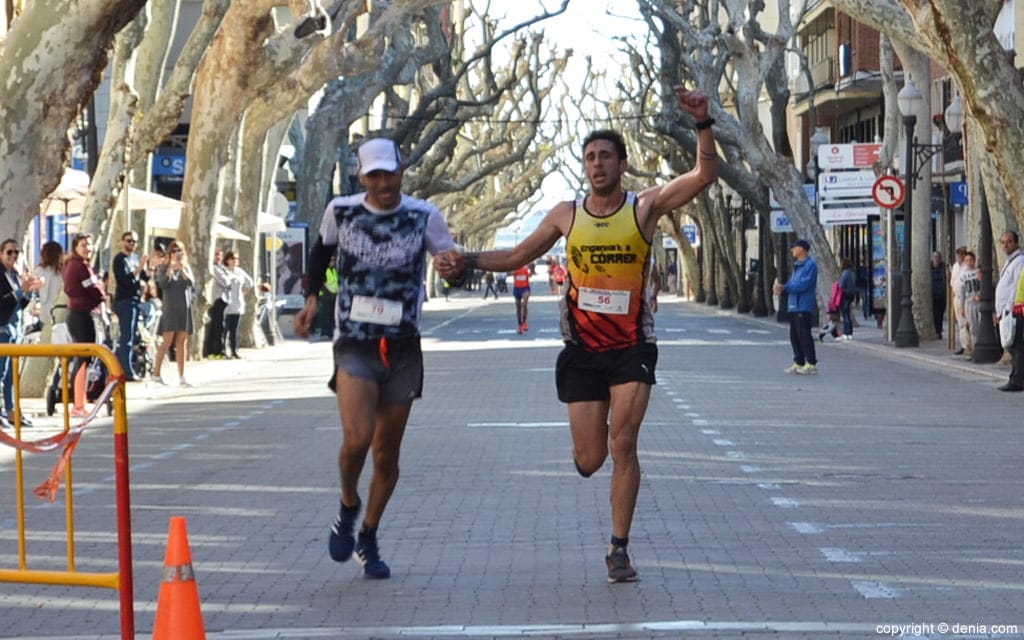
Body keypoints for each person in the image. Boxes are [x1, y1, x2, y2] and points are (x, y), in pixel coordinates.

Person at [435, 87, 718, 583]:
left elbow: (704, 176)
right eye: (590, 158)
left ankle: (619, 549)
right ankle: (589, 455)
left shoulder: (645, 208)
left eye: (606, 156)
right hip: (583, 351)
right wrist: (468, 259)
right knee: (592, 459)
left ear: (622, 165)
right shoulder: (567, 215)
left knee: (624, 442)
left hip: (632, 348)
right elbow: (517, 256)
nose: (597, 164)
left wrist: (703, 124)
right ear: (584, 167)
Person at [294, 137, 459, 580]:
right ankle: (349, 502)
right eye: (374, 175)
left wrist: (451, 267)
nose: (384, 183)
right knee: (358, 438)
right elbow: (321, 253)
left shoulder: (424, 214)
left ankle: (368, 533)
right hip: (355, 341)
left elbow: (449, 258)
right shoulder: (341, 210)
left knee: (386, 454)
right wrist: (311, 299)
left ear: (402, 169)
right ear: (361, 177)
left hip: (402, 344)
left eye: (390, 173)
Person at [61, 233, 108, 417]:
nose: (87, 248)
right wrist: (102, 295)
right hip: (81, 315)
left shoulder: (75, 265)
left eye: (89, 245)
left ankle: (81, 400)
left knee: (83, 360)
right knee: (82, 360)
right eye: (83, 245)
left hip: (79, 314)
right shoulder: (80, 266)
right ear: (75, 247)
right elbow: (94, 289)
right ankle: (78, 404)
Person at [0, 239, 44, 428]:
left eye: (16, 252)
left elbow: (20, 303)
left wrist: (28, 292)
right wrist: (20, 291)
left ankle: (12, 412)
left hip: (15, 329)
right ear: (1, 254)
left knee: (12, 375)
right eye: (9, 252)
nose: (13, 256)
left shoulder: (16, 274)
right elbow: (3, 301)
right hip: (2, 329)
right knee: (1, 374)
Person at [153, 240, 195, 387]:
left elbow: (191, 284)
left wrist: (182, 269)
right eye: (174, 251)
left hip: (184, 307)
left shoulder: (185, 267)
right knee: (167, 341)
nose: (177, 253)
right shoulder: (164, 267)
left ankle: (182, 376)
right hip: (170, 307)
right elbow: (163, 284)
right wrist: (170, 269)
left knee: (182, 341)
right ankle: (156, 373)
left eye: (180, 251)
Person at [774, 239, 819, 374]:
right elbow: (793, 282)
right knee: (794, 335)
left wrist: (785, 288)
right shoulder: (798, 266)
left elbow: (803, 285)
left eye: (795, 247)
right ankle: (799, 361)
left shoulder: (810, 265)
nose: (792, 250)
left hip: (803, 305)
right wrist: (783, 288)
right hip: (794, 305)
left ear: (802, 249)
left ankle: (811, 363)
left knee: (804, 334)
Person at [111, 231, 152, 380]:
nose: (131, 244)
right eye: (129, 241)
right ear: (123, 242)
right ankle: (125, 371)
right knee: (126, 338)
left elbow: (144, 278)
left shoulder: (135, 258)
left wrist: (150, 267)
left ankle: (129, 367)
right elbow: (125, 280)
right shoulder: (119, 260)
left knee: (133, 337)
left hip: (135, 301)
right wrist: (139, 268)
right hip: (124, 301)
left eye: (134, 241)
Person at [995, 231, 1024, 391]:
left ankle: (1017, 379)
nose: (1005, 245)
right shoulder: (1010, 261)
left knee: (1016, 345)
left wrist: (1007, 309)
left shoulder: (1019, 261)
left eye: (1009, 242)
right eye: (1003, 242)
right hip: (1007, 311)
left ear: (1016, 243)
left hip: (1015, 310)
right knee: (1012, 346)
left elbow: (1015, 287)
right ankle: (1017, 376)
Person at [221, 251, 254, 359]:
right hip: (226, 303)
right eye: (232, 258)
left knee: (234, 329)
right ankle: (223, 350)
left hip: (237, 303)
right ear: (227, 260)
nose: (234, 260)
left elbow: (250, 283)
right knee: (224, 329)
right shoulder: (224, 270)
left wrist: (243, 292)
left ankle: (234, 350)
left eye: (236, 258)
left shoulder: (239, 271)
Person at [203, 247, 229, 359]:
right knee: (217, 327)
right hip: (216, 299)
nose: (218, 257)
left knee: (219, 327)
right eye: (216, 254)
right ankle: (216, 351)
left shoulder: (222, 268)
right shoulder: (214, 268)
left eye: (220, 255)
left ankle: (217, 350)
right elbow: (226, 282)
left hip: (223, 299)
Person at [956, 250, 981, 360]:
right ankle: (974, 350)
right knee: (973, 327)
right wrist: (961, 307)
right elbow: (962, 291)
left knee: (981, 325)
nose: (969, 262)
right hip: (969, 302)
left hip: (979, 302)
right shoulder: (963, 275)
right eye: (966, 260)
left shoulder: (978, 272)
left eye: (971, 260)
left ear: (974, 261)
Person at [950, 246, 968, 354]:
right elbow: (953, 281)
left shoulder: (967, 267)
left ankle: (968, 345)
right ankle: (964, 345)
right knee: (960, 322)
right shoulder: (955, 266)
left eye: (962, 254)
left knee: (966, 322)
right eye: (959, 254)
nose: (960, 256)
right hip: (956, 296)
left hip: (965, 297)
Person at [317, 255, 338, 338]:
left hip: (333, 296)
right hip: (326, 296)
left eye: (334, 260)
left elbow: (335, 283)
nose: (333, 262)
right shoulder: (325, 270)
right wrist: (331, 293)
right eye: (332, 260)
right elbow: (324, 284)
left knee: (331, 315)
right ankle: (325, 332)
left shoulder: (333, 270)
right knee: (327, 315)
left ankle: (330, 332)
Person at [838, 258, 857, 340]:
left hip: (845, 294)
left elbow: (841, 285)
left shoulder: (844, 273)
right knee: (848, 314)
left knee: (845, 314)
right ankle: (850, 333)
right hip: (851, 294)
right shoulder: (853, 273)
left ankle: (846, 332)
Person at [511, 263, 531, 333]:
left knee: (524, 304)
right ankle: (520, 325)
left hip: (525, 287)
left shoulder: (526, 263)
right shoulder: (515, 264)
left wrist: (529, 270)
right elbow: (511, 272)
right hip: (517, 288)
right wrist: (514, 271)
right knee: (518, 307)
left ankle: (524, 322)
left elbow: (530, 273)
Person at [931, 251, 946, 340]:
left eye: (937, 257)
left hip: (941, 295)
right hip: (932, 295)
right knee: (934, 315)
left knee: (939, 315)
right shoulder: (929, 268)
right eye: (934, 257)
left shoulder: (944, 268)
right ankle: (936, 331)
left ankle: (938, 331)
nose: (936, 259)